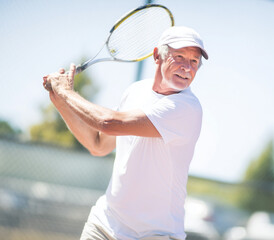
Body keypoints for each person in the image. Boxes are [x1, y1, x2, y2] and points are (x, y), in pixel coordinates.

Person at [43, 26, 208, 240]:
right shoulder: (135, 91)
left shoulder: (187, 109)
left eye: (194, 61)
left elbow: (107, 122)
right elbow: (98, 145)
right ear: (157, 55)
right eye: (179, 57)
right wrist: (60, 100)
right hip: (103, 225)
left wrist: (65, 92)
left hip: (155, 236)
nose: (187, 67)